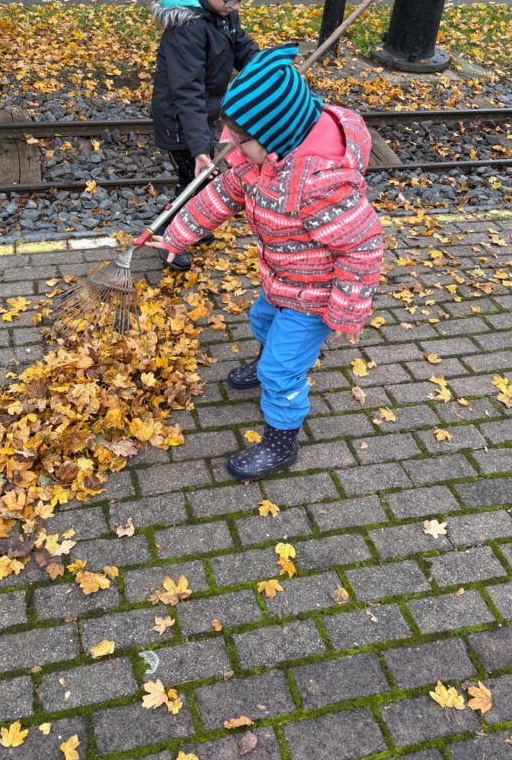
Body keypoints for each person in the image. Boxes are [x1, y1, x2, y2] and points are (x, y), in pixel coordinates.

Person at [150, 45, 384, 481]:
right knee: (261, 320)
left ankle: (281, 440)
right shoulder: (260, 160)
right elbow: (221, 197)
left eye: (241, 140)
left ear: (276, 134)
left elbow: (363, 247)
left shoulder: (318, 186)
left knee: (282, 370)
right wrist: (178, 235)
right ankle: (266, 363)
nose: (230, 148)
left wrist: (347, 310)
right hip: (281, 278)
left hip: (314, 297)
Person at [151, 0, 259, 271]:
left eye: (241, 0)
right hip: (182, 120)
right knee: (191, 181)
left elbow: (238, 42)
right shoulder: (189, 29)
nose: (234, 6)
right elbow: (188, 92)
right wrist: (200, 149)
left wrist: (267, 69)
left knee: (200, 179)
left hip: (201, 115)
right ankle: (170, 237)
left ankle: (193, 226)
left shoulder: (219, 11)